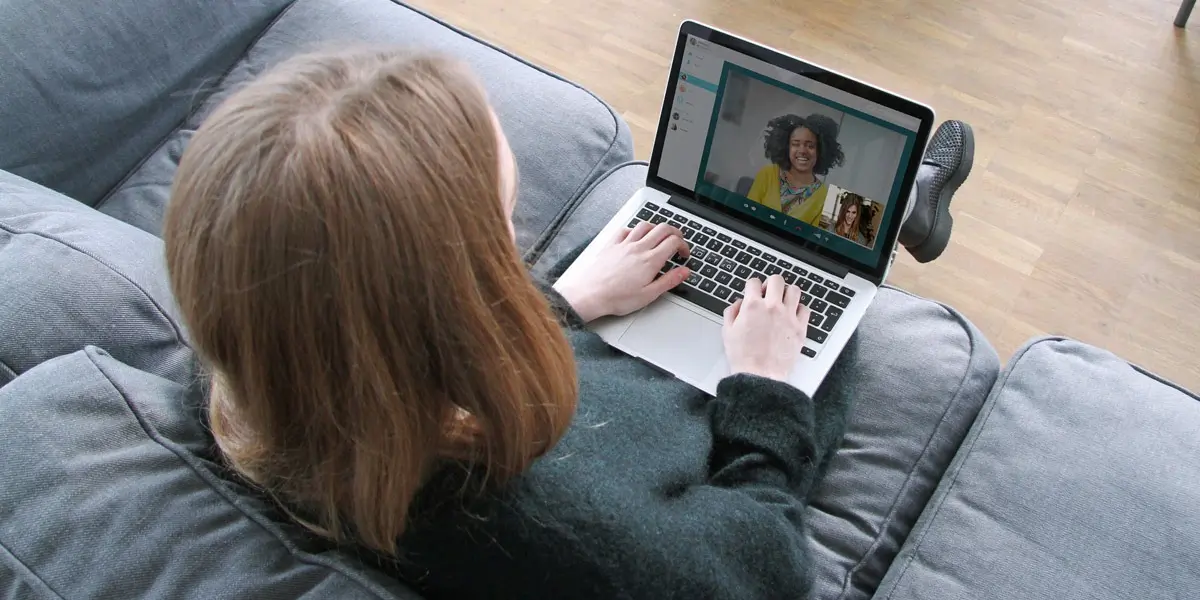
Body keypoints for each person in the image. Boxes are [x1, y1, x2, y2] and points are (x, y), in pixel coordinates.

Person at [164, 48, 973, 600]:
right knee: (816, 303)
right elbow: (757, 569)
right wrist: (762, 391)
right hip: (677, 445)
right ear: (446, 305)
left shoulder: (242, 376)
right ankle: (893, 211)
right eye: (502, 234)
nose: (517, 256)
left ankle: (883, 209)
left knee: (642, 253)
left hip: (530, 398)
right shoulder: (580, 537)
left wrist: (560, 302)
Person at [745, 113, 844, 227]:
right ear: (787, 147)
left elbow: (814, 240)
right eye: (795, 144)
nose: (802, 151)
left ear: (820, 151)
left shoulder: (824, 197)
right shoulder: (767, 173)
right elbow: (747, 216)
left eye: (810, 146)